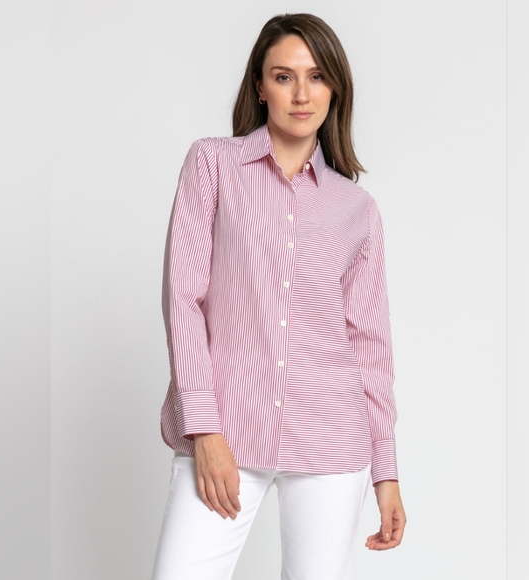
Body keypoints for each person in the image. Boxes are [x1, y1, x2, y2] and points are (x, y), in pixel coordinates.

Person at [151, 12, 407, 580]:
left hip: (331, 437)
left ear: (335, 89)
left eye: (317, 77)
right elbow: (184, 299)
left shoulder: (356, 209)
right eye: (284, 76)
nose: (302, 94)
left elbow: (369, 345)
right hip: (226, 430)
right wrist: (205, 430)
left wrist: (385, 472)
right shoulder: (214, 165)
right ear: (260, 86)